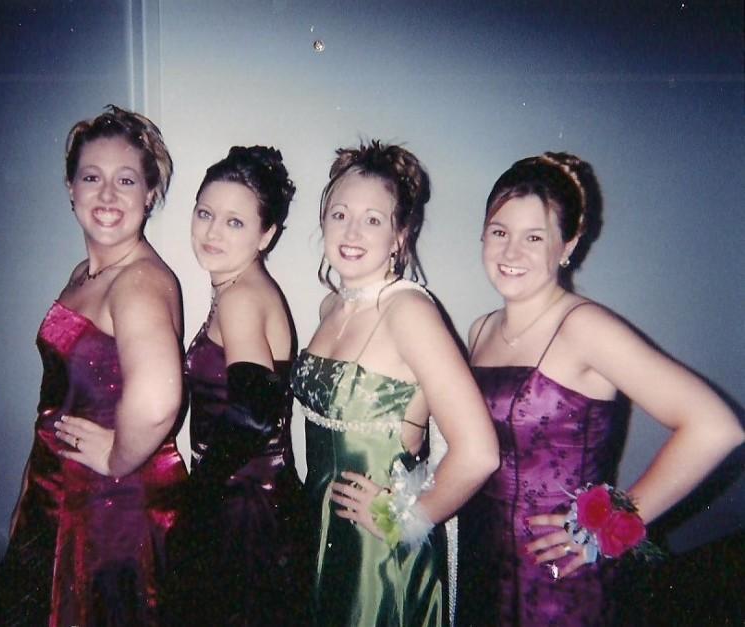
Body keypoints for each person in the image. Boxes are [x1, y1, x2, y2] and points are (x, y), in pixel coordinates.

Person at [456, 152, 744, 626]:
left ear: (566, 246)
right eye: (500, 232)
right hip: (483, 563)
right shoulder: (480, 330)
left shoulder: (584, 327)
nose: (511, 252)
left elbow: (716, 428)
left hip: (562, 581)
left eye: (535, 237)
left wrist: (608, 522)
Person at [0, 105, 188, 626]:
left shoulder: (138, 282)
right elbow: (58, 394)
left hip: (107, 514)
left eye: (126, 180)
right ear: (71, 188)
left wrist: (120, 457)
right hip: (59, 493)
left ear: (150, 194)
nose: (106, 195)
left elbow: (160, 397)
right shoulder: (87, 272)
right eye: (91, 177)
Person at [290, 141, 500, 626]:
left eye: (373, 219)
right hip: (322, 533)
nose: (351, 231)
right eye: (339, 214)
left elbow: (479, 451)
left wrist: (408, 517)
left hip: (378, 555)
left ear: (400, 236)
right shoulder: (332, 307)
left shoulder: (409, 311)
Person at [164, 145, 310, 626]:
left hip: (245, 506)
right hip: (247, 497)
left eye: (234, 222)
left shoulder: (242, 297)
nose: (211, 231)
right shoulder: (236, 287)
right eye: (205, 213)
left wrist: (195, 495)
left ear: (266, 234)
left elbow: (253, 412)